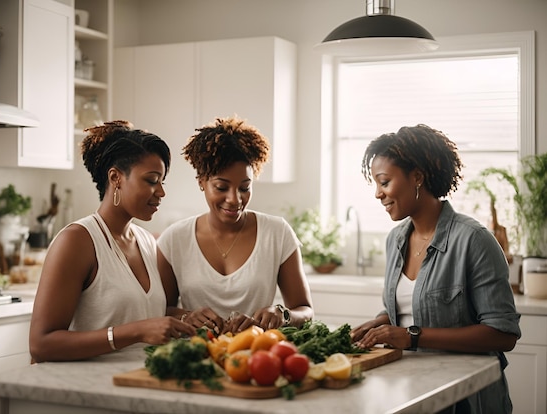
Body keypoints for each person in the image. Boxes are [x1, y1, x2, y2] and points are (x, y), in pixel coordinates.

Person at [351, 124, 521, 414]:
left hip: (467, 398)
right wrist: (381, 321)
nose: (378, 194)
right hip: (409, 388)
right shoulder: (395, 239)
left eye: (384, 182)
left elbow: (502, 334)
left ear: (417, 176)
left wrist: (411, 336)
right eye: (376, 185)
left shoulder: (473, 240)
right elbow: (413, 306)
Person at [29, 121, 195, 363]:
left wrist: (185, 318)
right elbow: (41, 344)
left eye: (162, 182)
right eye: (151, 180)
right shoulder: (77, 241)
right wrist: (136, 331)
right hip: (85, 389)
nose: (161, 192)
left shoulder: (146, 242)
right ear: (116, 178)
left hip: (134, 385)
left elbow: (139, 313)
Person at [157, 117, 313, 334]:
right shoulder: (174, 239)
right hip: (195, 356)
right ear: (201, 182)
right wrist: (188, 316)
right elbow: (158, 310)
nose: (235, 199)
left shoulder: (277, 233)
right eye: (221, 187)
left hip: (258, 356)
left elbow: (304, 310)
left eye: (244, 187)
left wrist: (282, 314)